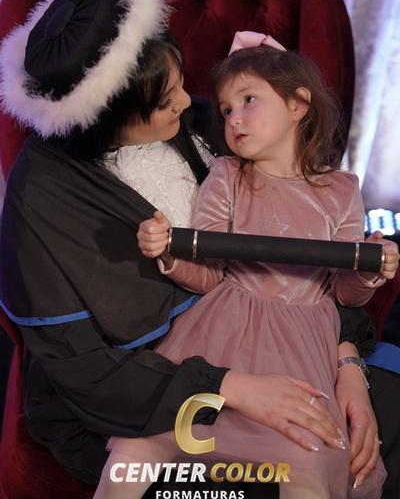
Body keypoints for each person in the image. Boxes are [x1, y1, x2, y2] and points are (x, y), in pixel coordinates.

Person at [0, 0, 396, 497]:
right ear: (108, 122)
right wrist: (234, 388)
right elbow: (86, 369)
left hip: (289, 344)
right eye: (167, 101)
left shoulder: (209, 125)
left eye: (182, 83)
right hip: (143, 391)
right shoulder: (45, 202)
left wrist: (348, 364)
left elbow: (314, 254)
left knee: (363, 437)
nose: (190, 103)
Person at [97, 32, 399, 499]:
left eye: (248, 100)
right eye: (225, 110)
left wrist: (370, 270)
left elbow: (344, 292)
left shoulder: (340, 189)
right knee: (141, 447)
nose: (233, 118)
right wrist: (168, 252)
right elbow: (208, 273)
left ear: (298, 105)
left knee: (305, 454)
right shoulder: (228, 176)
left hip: (302, 340)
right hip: (225, 327)